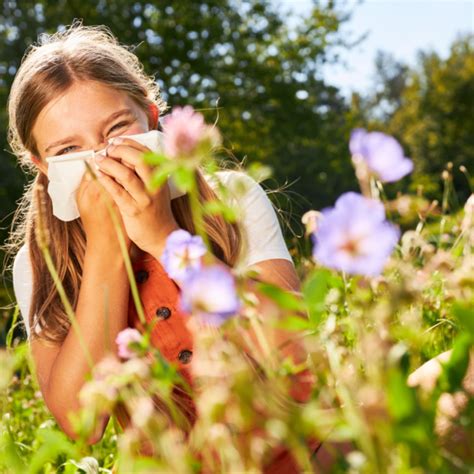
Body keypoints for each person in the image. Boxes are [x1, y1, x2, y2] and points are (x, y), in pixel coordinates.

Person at [4, 22, 324, 472]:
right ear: (43, 167)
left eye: (117, 129)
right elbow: (82, 423)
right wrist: (106, 251)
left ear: (152, 120)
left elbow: (291, 355)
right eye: (69, 149)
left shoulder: (228, 197)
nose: (101, 160)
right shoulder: (40, 264)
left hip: (301, 453)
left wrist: (162, 234)